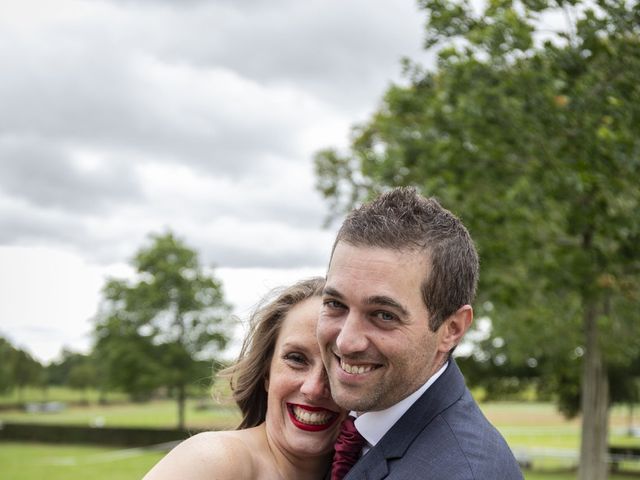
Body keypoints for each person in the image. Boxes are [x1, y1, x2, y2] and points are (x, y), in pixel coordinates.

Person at [317, 187, 523, 479]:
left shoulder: (462, 473)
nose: (346, 341)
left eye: (384, 315)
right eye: (335, 304)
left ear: (452, 330)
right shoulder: (344, 430)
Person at [144, 277, 346, 480]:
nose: (314, 389)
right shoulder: (213, 459)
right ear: (267, 372)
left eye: (340, 363)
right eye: (296, 359)